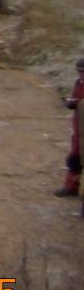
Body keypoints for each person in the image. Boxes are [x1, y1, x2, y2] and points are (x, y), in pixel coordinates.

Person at [54, 57, 84, 197]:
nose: (81, 74)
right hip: (78, 128)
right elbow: (77, 99)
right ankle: (71, 186)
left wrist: (76, 104)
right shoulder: (78, 83)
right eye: (79, 71)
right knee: (74, 158)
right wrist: (71, 102)